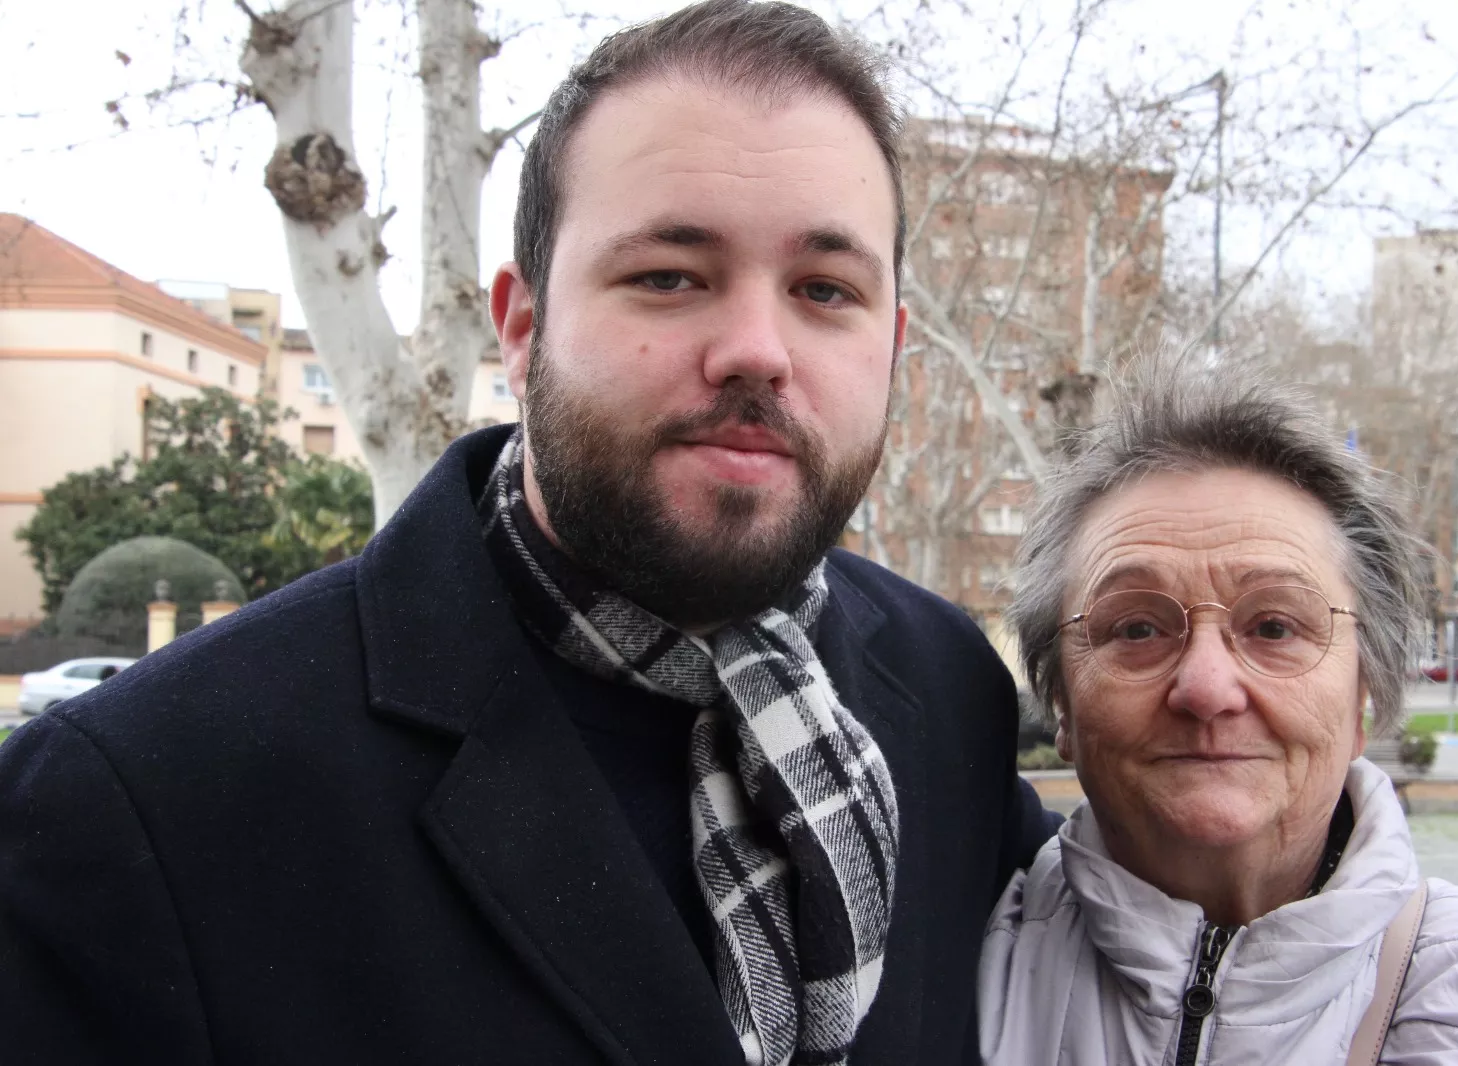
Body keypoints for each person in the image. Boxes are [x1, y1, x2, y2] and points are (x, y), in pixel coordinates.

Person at [0, 3, 1054, 1063]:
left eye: (825, 290)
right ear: (521, 326)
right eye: (669, 276)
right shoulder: (141, 803)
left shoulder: (949, 692)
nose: (755, 349)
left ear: (892, 348)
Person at [977, 357, 1458, 1065]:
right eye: (1138, 628)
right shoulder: (941, 957)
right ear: (1061, 700)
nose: (1207, 688)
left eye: (1274, 627)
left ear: (1365, 694)